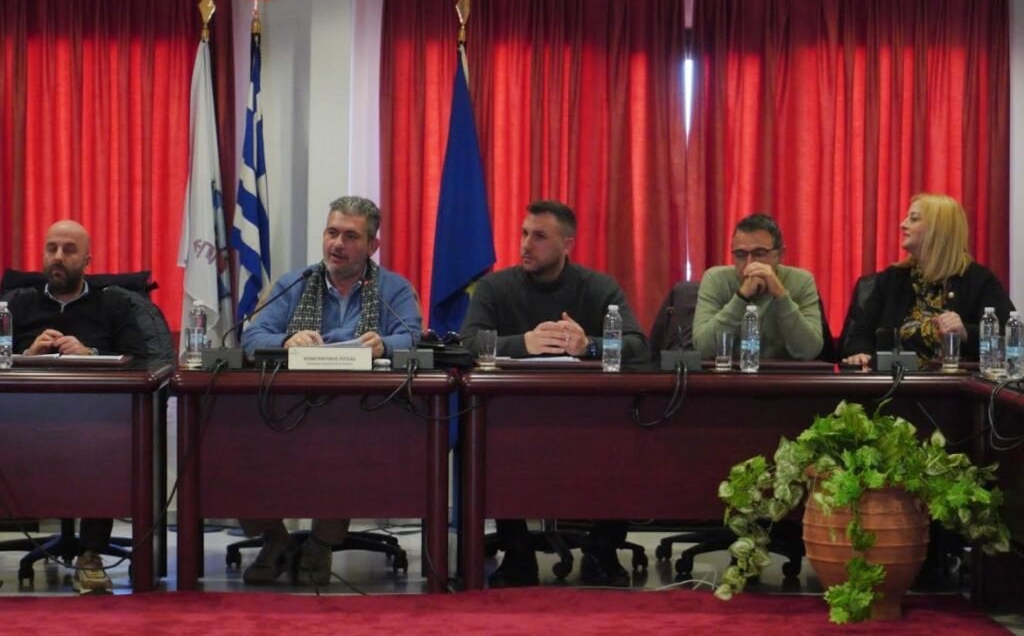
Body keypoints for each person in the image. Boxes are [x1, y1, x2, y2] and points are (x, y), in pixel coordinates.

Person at [461, 200, 649, 588]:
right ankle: (517, 552)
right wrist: (523, 343)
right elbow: (466, 344)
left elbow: (638, 346)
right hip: (513, 414)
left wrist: (589, 346)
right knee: (489, 436)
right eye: (523, 233)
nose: (525, 244)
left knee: (627, 436)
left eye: (539, 236)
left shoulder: (599, 287)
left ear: (567, 244)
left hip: (588, 414)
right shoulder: (495, 287)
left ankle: (603, 550)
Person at [239, 196, 422, 586]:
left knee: (342, 441)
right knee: (233, 440)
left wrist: (385, 345)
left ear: (372, 245)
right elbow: (251, 337)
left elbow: (413, 337)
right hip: (287, 411)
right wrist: (286, 340)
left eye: (350, 236)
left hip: (362, 413)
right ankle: (275, 539)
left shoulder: (393, 289)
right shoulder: (295, 283)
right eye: (332, 232)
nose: (337, 244)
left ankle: (321, 543)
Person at [5, 220, 147, 593]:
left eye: (69, 250)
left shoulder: (114, 304)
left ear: (87, 261)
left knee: (107, 447)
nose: (58, 257)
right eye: (51, 248)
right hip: (24, 420)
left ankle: (91, 554)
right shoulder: (18, 305)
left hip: (96, 420)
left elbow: (142, 360)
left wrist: (91, 354)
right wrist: (26, 353)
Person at [842, 193, 1012, 366]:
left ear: (938, 229)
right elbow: (859, 336)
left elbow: (1011, 340)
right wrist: (860, 353)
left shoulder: (979, 280)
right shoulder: (892, 279)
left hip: (956, 381)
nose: (903, 224)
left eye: (914, 219)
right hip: (895, 380)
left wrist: (966, 332)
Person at [693, 213, 824, 360]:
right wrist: (741, 297)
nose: (749, 263)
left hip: (783, 372)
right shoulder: (715, 279)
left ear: (780, 254)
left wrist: (781, 295)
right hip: (730, 372)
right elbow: (703, 349)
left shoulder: (801, 281)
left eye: (759, 253)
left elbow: (809, 351)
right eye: (740, 254)